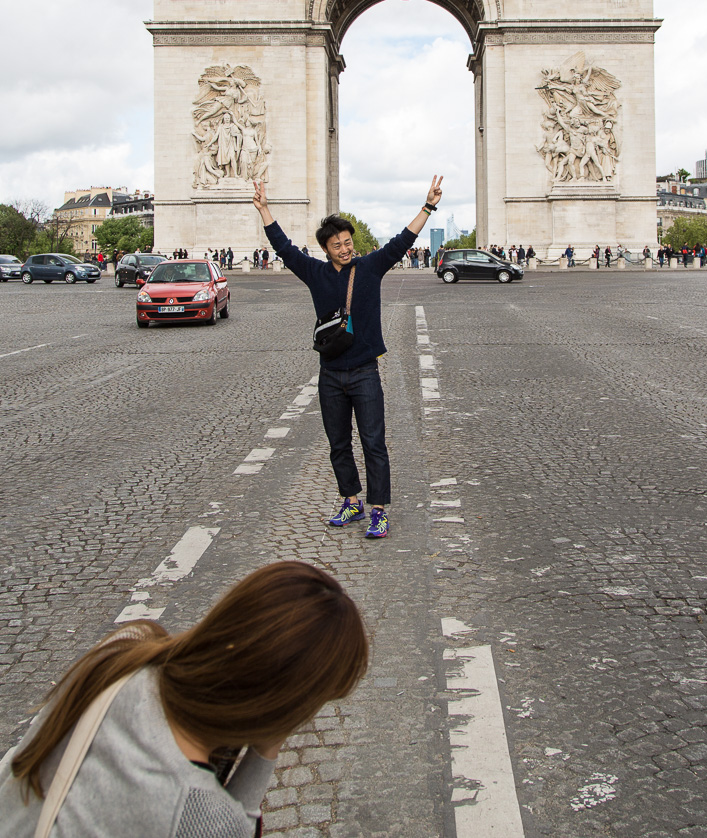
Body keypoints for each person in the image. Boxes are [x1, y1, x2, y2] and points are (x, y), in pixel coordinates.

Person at [0, 562, 368, 837]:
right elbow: (237, 826)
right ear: (280, 708)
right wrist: (265, 750)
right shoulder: (196, 810)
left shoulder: (125, 650)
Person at [252, 176, 444, 540]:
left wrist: (428, 206)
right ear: (325, 248)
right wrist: (264, 209)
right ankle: (350, 500)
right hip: (330, 374)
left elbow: (403, 241)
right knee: (338, 444)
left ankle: (378, 510)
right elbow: (284, 248)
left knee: (374, 442)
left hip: (365, 373)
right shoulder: (314, 272)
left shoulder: (370, 267)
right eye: (337, 244)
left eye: (348, 242)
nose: (345, 248)